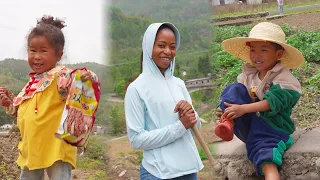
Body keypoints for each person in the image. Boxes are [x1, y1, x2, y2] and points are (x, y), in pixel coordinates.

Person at [0, 15, 99, 180]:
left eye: (43, 51)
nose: (37, 56)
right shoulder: (31, 84)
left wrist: (86, 78)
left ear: (58, 55)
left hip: (57, 146)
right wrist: (9, 104)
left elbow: (79, 81)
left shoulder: (61, 76)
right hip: (32, 146)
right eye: (32, 51)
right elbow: (20, 114)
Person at [214, 22, 304, 180]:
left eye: (263, 50)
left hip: (271, 129)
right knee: (234, 88)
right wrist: (228, 110)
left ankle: (271, 175)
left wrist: (243, 109)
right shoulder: (248, 76)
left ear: (278, 54)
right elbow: (238, 98)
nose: (257, 55)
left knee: (265, 156)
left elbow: (271, 102)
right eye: (253, 50)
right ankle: (226, 122)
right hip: (248, 126)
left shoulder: (285, 79)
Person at [124, 22, 204, 180]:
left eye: (172, 46)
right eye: (161, 45)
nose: (167, 51)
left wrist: (191, 114)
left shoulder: (179, 84)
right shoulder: (136, 89)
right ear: (148, 47)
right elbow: (136, 140)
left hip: (188, 172)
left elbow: (196, 128)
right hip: (157, 173)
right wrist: (180, 126)